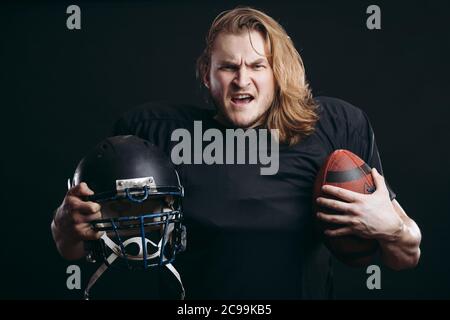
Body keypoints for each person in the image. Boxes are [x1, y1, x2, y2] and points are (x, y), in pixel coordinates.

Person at [51, 7, 421, 299]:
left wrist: (394, 230)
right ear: (206, 75)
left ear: (278, 73)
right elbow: (75, 246)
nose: (242, 80)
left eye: (257, 65)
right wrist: (66, 226)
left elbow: (406, 257)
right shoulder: (158, 133)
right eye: (228, 66)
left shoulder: (334, 127)